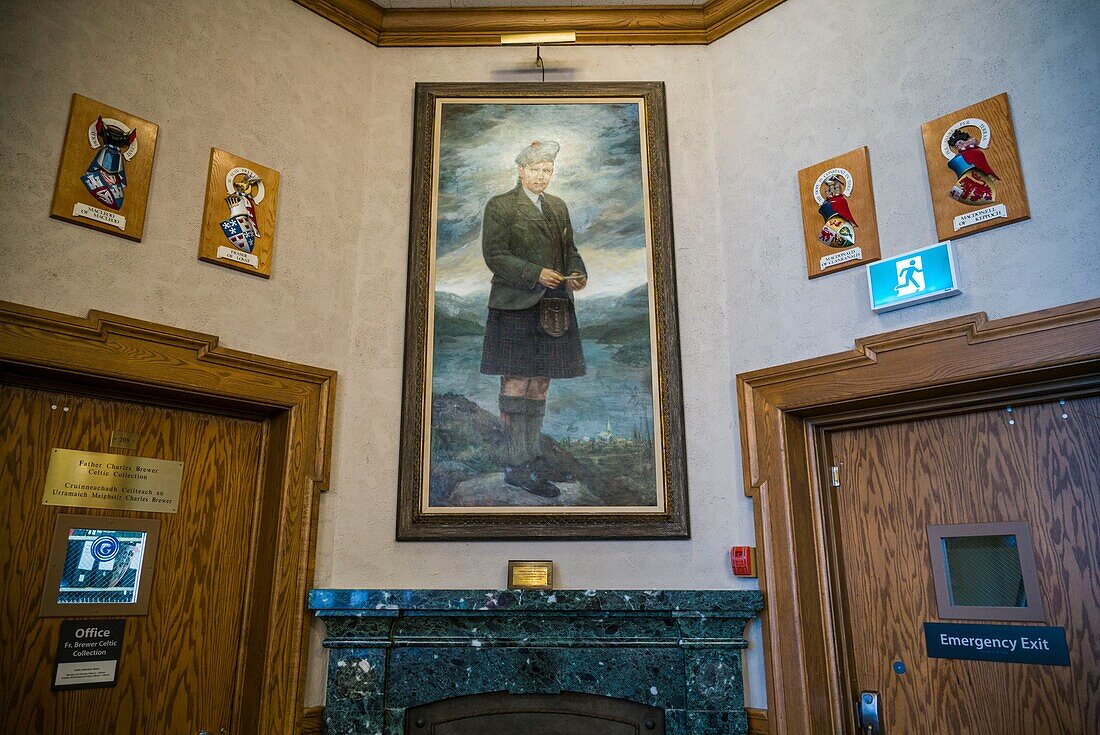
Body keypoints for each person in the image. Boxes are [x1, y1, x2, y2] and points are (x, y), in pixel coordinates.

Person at [479, 140, 588, 498]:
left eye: (547, 170)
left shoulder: (557, 207)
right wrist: (535, 273)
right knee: (516, 382)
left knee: (540, 383)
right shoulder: (501, 206)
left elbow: (569, 251)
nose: (542, 176)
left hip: (553, 307)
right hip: (515, 306)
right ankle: (515, 465)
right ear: (520, 170)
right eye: (535, 169)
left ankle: (532, 457)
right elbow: (495, 256)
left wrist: (578, 272)